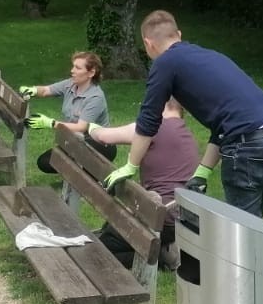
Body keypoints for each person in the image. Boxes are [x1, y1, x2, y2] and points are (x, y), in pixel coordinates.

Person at [106, 10, 263, 218]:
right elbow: (224, 125)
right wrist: (202, 173)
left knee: (244, 225)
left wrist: (131, 165)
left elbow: (148, 120)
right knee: (254, 221)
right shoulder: (209, 56)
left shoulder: (164, 63)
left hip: (247, 144)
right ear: (179, 35)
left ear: (148, 43)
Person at [59, 98, 200, 268]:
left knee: (101, 250)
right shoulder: (186, 134)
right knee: (110, 234)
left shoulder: (152, 127)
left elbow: (103, 137)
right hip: (180, 220)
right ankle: (163, 251)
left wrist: (89, 126)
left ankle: (160, 259)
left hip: (158, 219)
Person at [18, 51, 115, 173]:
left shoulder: (95, 97)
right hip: (75, 140)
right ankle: (78, 174)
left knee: (67, 163)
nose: (72, 71)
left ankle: (86, 176)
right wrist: (33, 90)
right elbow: (46, 90)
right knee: (44, 162)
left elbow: (81, 127)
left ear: (91, 73)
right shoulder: (70, 84)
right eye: (73, 66)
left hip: (99, 145)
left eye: (78, 68)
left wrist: (51, 123)